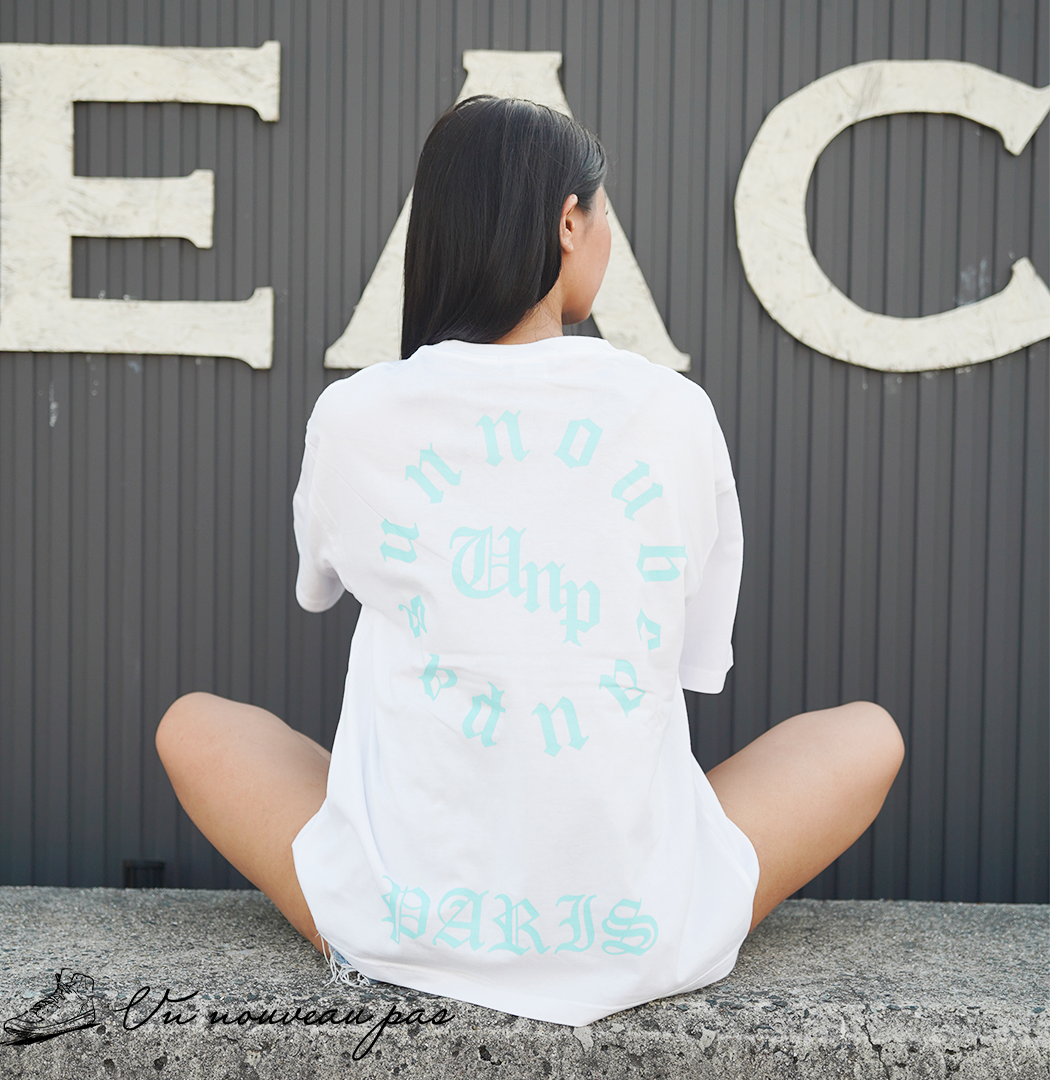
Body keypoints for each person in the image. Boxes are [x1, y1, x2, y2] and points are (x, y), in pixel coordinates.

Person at [156, 95, 904, 1026]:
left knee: (193, 724)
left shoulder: (355, 414)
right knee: (869, 735)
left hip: (402, 925)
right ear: (567, 222)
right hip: (642, 930)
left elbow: (318, 583)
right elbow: (692, 659)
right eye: (604, 214)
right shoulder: (673, 412)